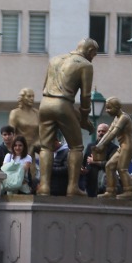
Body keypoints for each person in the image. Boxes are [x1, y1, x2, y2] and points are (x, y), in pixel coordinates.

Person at [38, 41, 98, 197]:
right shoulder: (85, 65)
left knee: (45, 147)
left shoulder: (55, 59)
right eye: (94, 55)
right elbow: (85, 96)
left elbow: (44, 85)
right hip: (63, 104)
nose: (93, 58)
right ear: (90, 50)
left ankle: (44, 186)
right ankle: (73, 187)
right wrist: (84, 118)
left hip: (45, 103)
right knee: (76, 147)